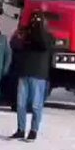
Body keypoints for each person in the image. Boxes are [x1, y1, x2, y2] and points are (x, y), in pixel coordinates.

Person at [11, 12, 54, 141]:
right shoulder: (26, 35)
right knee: (20, 104)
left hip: (38, 74)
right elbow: (15, 45)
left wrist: (38, 28)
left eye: (38, 21)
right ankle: (21, 129)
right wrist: (23, 33)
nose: (35, 24)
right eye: (33, 21)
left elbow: (44, 44)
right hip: (24, 72)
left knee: (36, 105)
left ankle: (33, 130)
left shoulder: (48, 36)